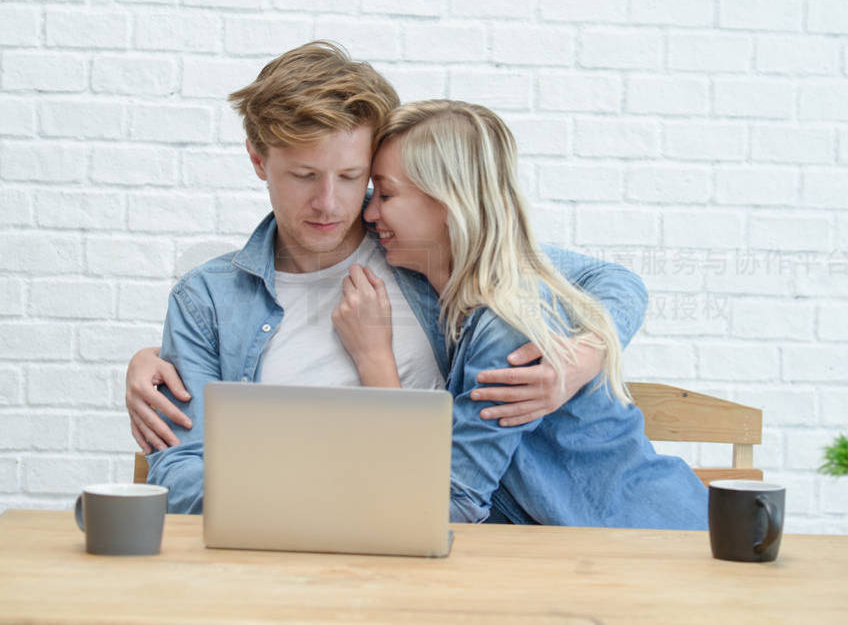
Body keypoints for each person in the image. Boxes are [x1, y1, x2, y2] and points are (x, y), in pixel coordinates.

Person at [134, 42, 649, 514]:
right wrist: (310, 509)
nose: (329, 203)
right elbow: (180, 472)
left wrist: (590, 353)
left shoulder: (427, 253)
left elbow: (607, 280)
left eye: (353, 177)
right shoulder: (207, 299)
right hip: (289, 543)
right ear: (258, 159)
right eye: (304, 176)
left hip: (435, 539)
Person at [332, 99, 708, 529]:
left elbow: (451, 505)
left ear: (449, 203)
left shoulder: (507, 330)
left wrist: (375, 362)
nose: (368, 211)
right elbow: (616, 278)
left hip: (652, 545)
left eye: (386, 194)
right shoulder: (500, 271)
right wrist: (593, 348)